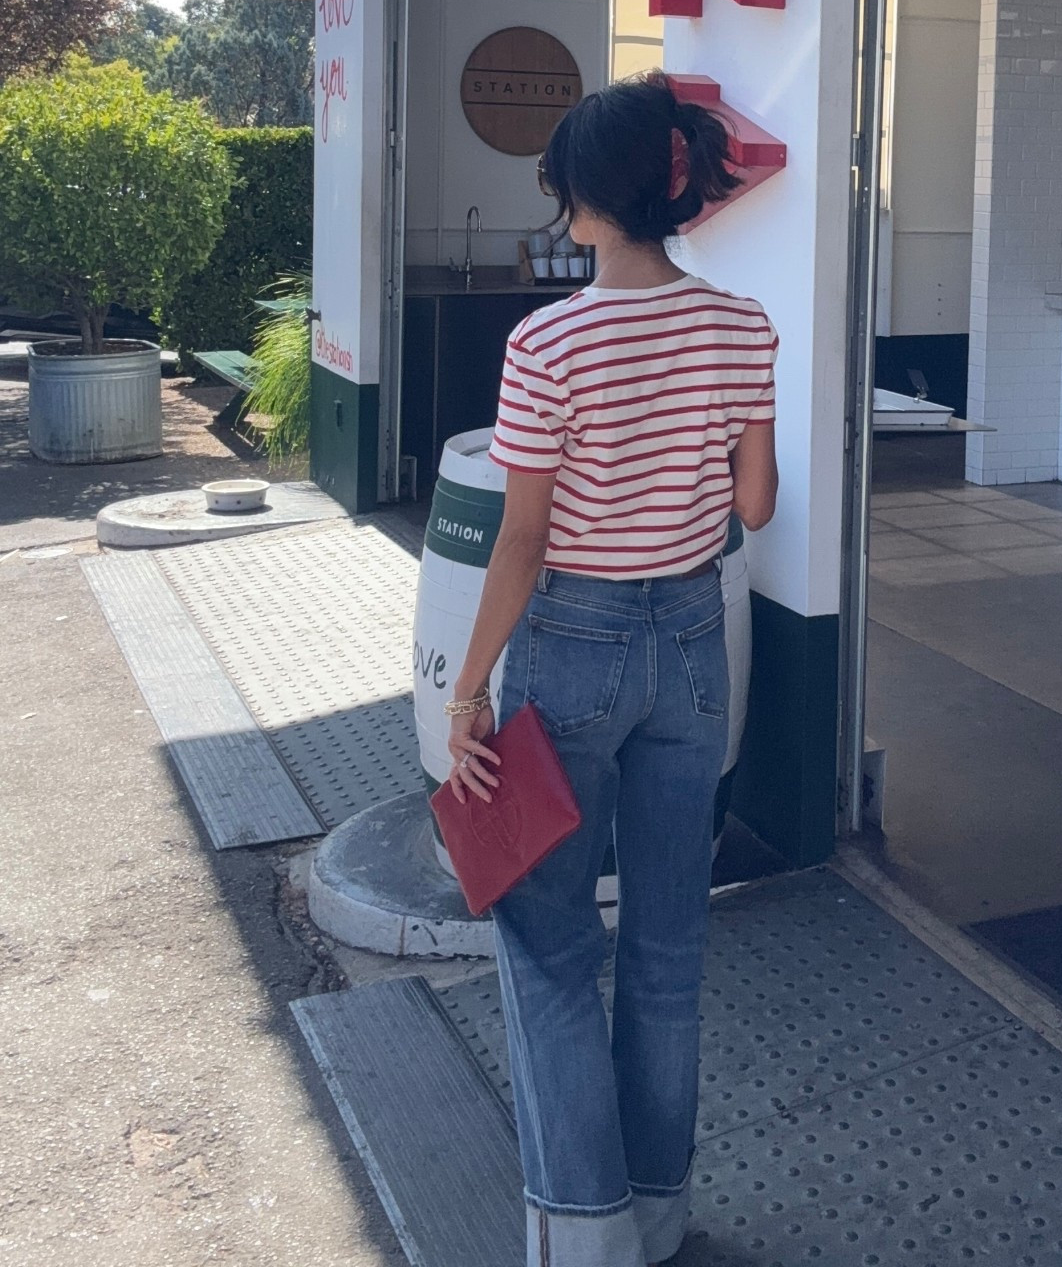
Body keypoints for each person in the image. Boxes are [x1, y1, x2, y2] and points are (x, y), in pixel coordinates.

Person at [445, 72, 778, 1267]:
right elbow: (755, 501)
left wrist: (469, 686)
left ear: (584, 196)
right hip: (693, 644)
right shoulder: (742, 324)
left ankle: (583, 1234)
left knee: (544, 941)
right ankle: (657, 1207)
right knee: (668, 941)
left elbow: (522, 542)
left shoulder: (547, 339)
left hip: (571, 647)